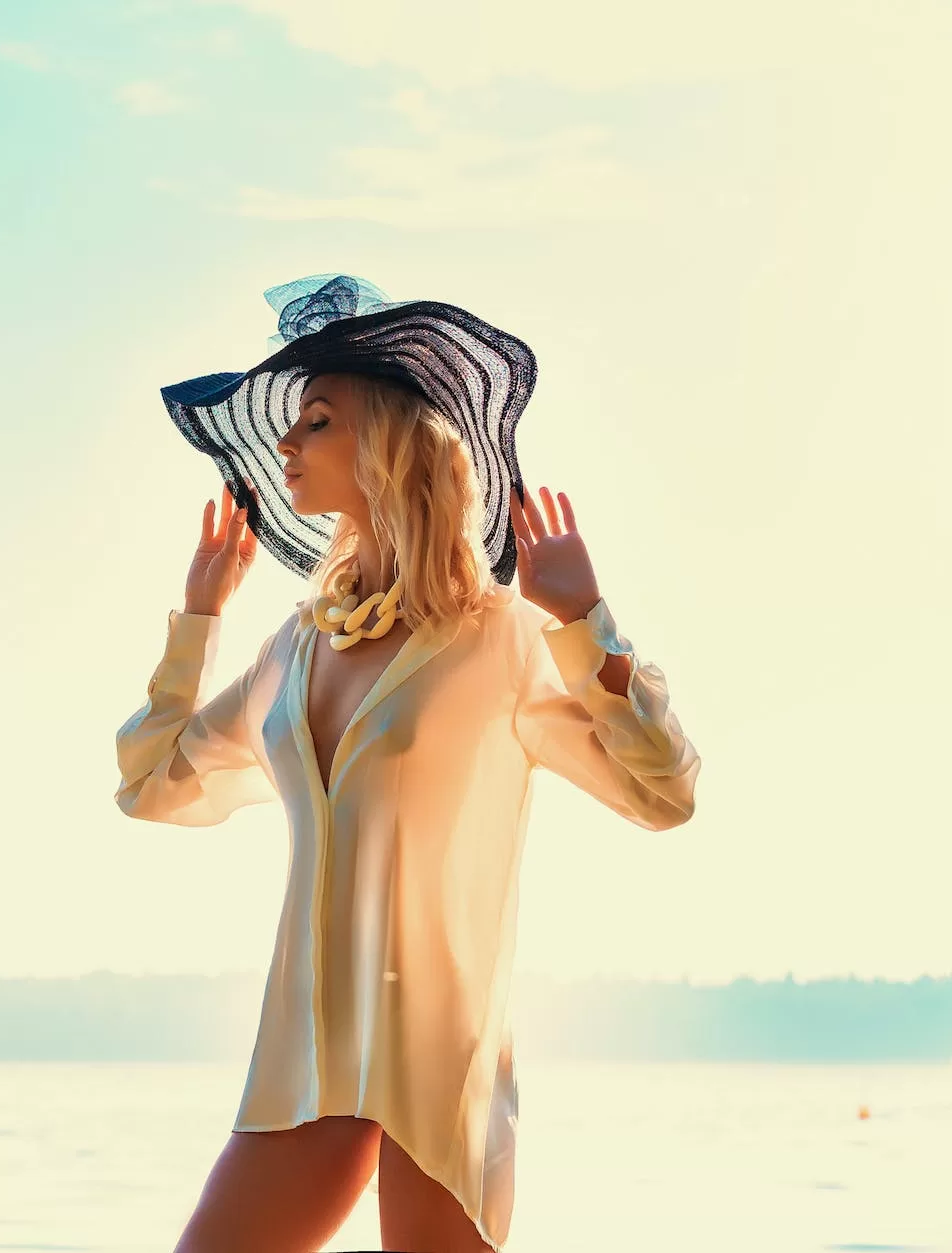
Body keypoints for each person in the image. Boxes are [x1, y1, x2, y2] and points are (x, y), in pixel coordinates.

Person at [114, 276, 702, 1253]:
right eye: (289, 426)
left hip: (438, 1072)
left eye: (315, 419)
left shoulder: (500, 642)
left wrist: (584, 626)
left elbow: (661, 791)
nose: (286, 447)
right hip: (301, 1062)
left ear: (384, 435)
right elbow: (151, 783)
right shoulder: (294, 647)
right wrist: (198, 620)